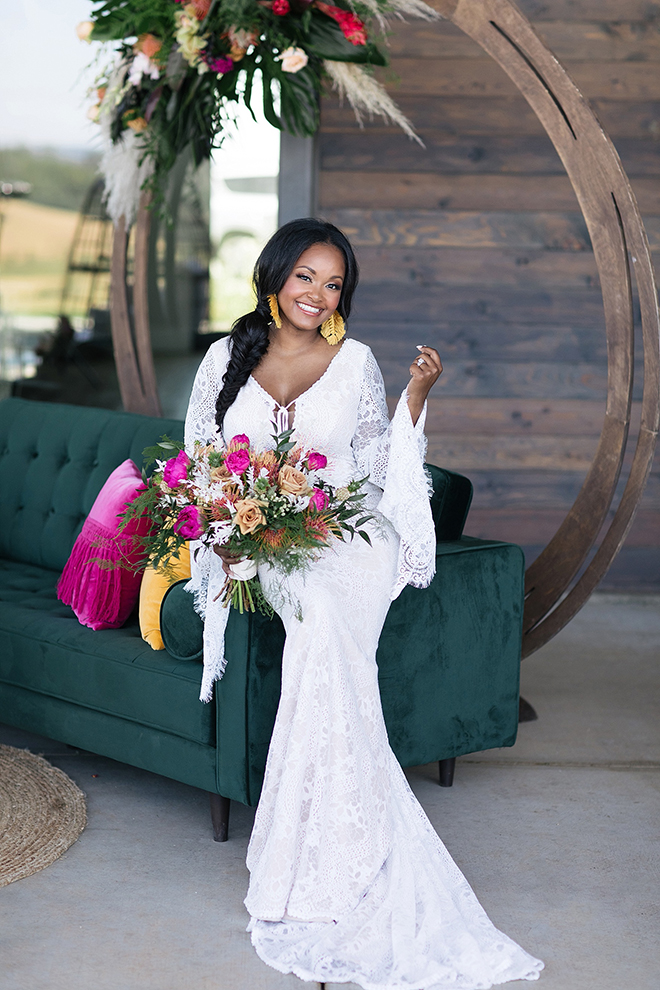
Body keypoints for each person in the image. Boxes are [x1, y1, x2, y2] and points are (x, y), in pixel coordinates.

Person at [184, 218, 544, 988]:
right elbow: (202, 461)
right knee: (311, 619)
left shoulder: (356, 362)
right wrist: (224, 532)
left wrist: (418, 396)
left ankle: (332, 847)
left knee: (321, 618)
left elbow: (380, 467)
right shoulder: (224, 358)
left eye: (334, 284)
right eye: (305, 277)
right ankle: (322, 840)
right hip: (266, 537)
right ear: (274, 276)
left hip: (349, 534)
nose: (318, 295)